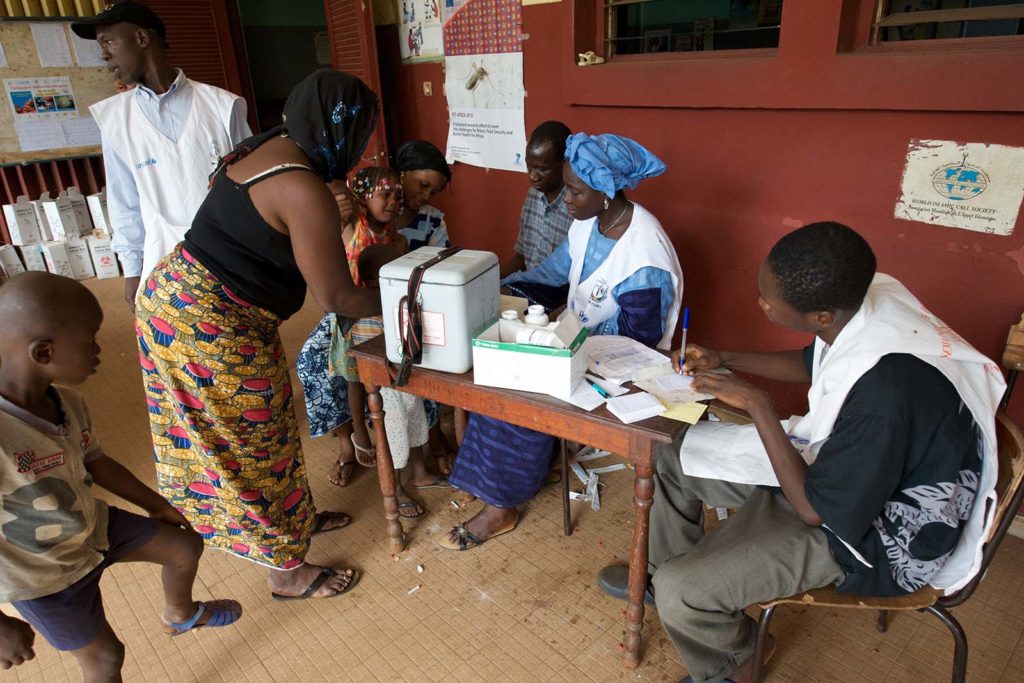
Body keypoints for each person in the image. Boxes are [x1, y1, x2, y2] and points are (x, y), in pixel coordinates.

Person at [598, 222, 1005, 683]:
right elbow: (817, 362)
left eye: (770, 302)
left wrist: (758, 404)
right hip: (849, 468)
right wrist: (725, 358)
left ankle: (736, 660)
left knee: (682, 590)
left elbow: (815, 510)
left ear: (822, 317)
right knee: (672, 458)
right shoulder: (871, 299)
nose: (761, 303)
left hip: (876, 535)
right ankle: (664, 574)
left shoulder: (886, 395)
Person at [134, 70, 382, 601]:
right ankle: (285, 571)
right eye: (362, 139)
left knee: (267, 432)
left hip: (184, 299)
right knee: (246, 442)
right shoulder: (302, 187)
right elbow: (337, 297)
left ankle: (292, 523)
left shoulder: (271, 145)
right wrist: (409, 301)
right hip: (208, 322)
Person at [440, 132, 683, 550]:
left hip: (622, 368)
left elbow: (637, 344)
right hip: (576, 347)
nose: (566, 199)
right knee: (498, 370)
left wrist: (558, 346)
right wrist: (492, 292)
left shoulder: (645, 257)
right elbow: (550, 277)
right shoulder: (589, 224)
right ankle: (494, 478)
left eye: (574, 190)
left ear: (605, 192)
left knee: (518, 390)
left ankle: (501, 506)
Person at [0, 272, 241, 679]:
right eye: (90, 339)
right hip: (42, 575)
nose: (99, 349)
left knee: (184, 548)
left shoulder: (68, 403)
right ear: (43, 353)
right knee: (106, 659)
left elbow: (98, 462)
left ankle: (180, 614)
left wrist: (157, 504)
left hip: (91, 527)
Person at [72, 1, 251, 309]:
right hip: (162, 262)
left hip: (227, 261)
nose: (104, 55)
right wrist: (132, 269)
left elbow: (252, 188)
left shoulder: (223, 106)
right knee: (172, 350)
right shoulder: (115, 119)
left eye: (109, 42)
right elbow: (124, 200)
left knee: (234, 349)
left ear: (142, 38)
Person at [394, 139, 458, 471]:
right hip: (369, 306)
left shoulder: (431, 220)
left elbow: (442, 269)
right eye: (422, 186)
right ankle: (352, 443)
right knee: (314, 360)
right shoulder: (373, 213)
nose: (425, 197)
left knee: (426, 351)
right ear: (401, 174)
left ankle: (432, 434)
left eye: (432, 192)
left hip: (418, 307)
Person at [500, 121, 574, 277]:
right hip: (531, 285)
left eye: (542, 169)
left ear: (565, 163)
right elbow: (521, 258)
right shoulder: (533, 195)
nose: (533, 176)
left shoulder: (577, 206)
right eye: (529, 167)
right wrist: (491, 281)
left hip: (561, 295)